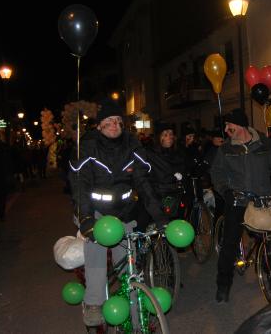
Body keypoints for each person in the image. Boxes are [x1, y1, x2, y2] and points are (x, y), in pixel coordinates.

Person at [69, 99, 167, 327]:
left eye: (118, 121)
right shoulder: (88, 146)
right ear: (99, 125)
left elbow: (143, 183)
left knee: (129, 263)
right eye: (109, 121)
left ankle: (133, 312)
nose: (114, 125)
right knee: (96, 251)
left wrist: (158, 214)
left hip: (123, 212)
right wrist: (85, 219)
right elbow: (80, 186)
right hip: (95, 213)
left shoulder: (132, 145)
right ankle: (94, 302)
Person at [210, 108, 271, 303]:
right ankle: (223, 284)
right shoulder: (225, 149)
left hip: (262, 198)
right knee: (229, 243)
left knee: (268, 241)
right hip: (237, 200)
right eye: (226, 125)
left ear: (241, 125)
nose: (227, 129)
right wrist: (225, 191)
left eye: (230, 125)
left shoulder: (265, 144)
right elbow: (217, 173)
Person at [142, 122, 186, 224]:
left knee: (176, 222)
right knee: (164, 223)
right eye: (165, 135)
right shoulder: (151, 153)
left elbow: (182, 168)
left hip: (176, 193)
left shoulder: (177, 152)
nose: (169, 137)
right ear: (159, 137)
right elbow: (158, 174)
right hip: (160, 194)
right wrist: (173, 177)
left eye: (171, 134)